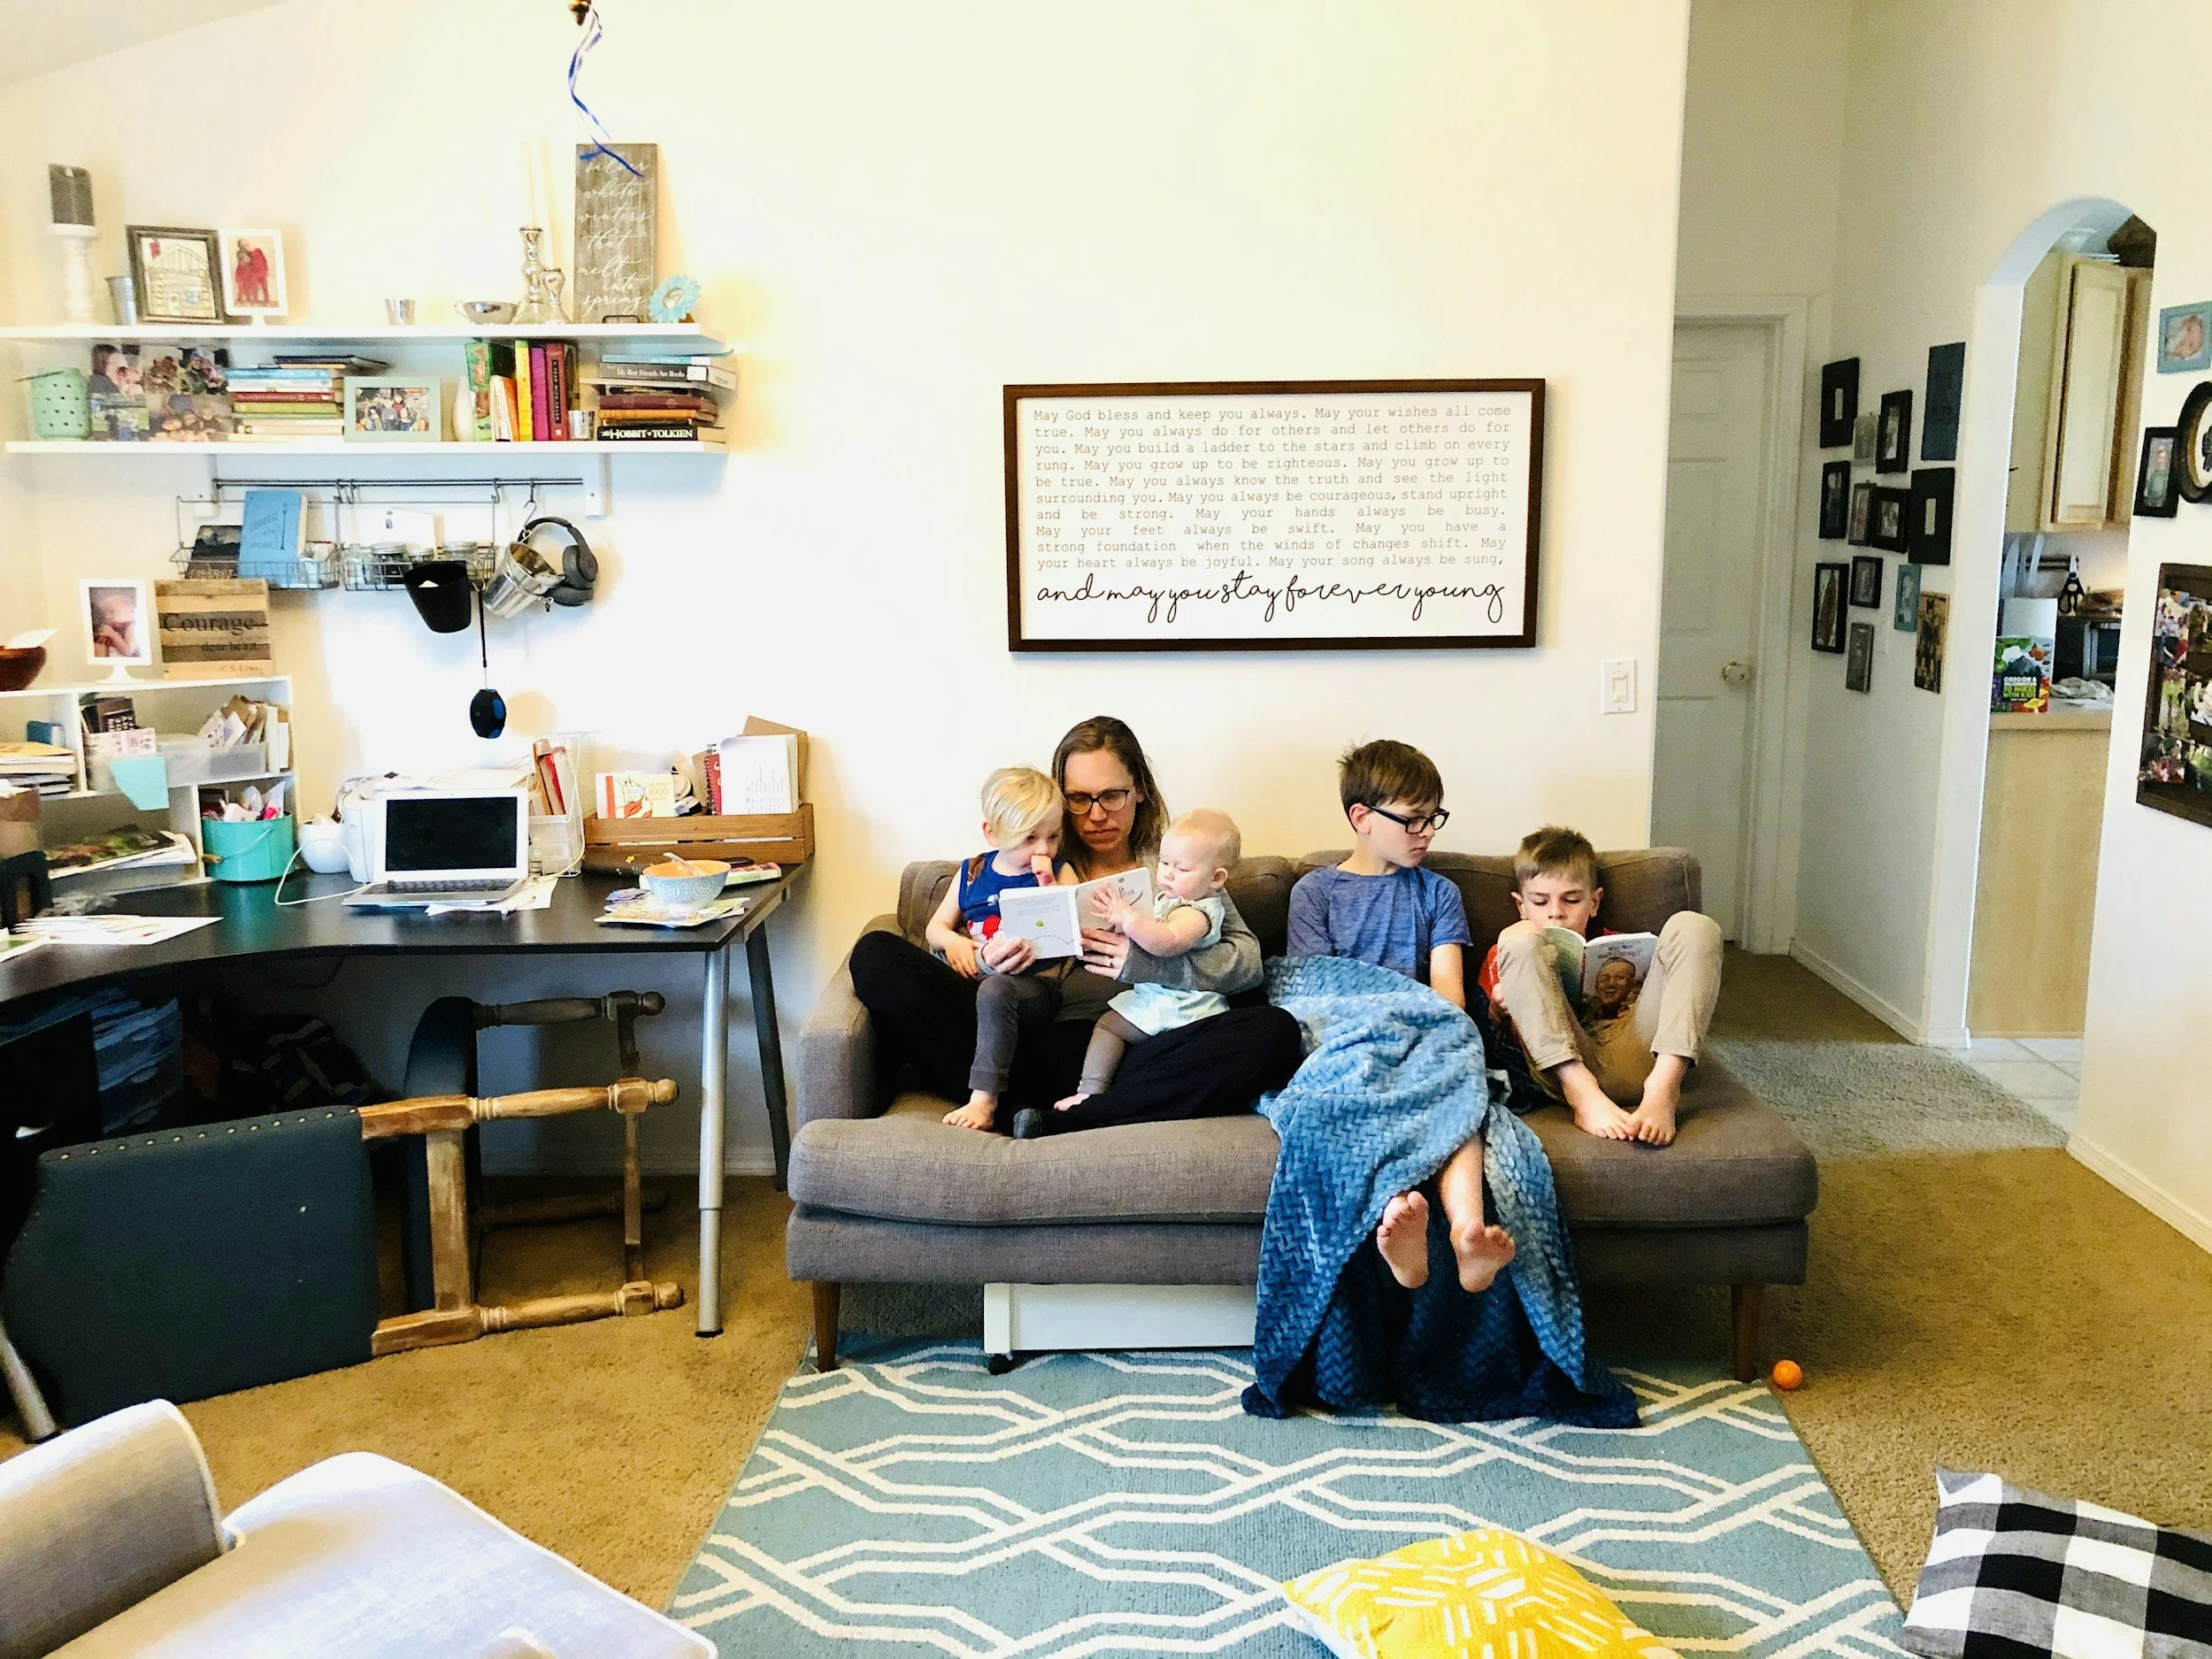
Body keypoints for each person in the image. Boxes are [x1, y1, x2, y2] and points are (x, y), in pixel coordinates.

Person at [848, 717, 1302, 1133]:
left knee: (1272, 1032)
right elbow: (957, 939)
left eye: (1112, 795)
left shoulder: (1178, 868)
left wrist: (1149, 962)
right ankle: (1006, 1098)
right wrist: (985, 959)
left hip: (1127, 1051)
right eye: (1079, 799)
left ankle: (1079, 1113)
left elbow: (1246, 965)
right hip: (1018, 1041)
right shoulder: (1027, 862)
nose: (1097, 814)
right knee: (876, 954)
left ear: (1140, 790)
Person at [1285, 739, 1514, 1296]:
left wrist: (1422, 1033)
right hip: (1349, 1039)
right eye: (1412, 821)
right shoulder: (1315, 893)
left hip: (1427, 1034)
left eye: (1433, 818)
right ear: (1361, 817)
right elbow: (1312, 996)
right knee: (1351, 1095)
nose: (1427, 833)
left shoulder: (1438, 892)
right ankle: (1399, 1225)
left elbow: (1449, 997)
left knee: (1460, 1081)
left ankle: (1466, 1233)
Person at [1477, 825, 1723, 1148]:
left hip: (1636, 1050)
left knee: (1695, 926)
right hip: (1560, 1072)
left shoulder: (1617, 947)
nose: (1555, 913)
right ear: (1521, 905)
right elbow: (1483, 1032)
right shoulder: (1507, 954)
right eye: (1539, 902)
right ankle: (1584, 1096)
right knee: (1518, 939)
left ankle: (1665, 1089)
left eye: (1572, 900)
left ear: (1594, 902)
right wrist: (1497, 1011)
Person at [1055, 808, 1241, 1112]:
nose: (1166, 873)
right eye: (1165, 862)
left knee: (1109, 1026)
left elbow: (1168, 942)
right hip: (1161, 998)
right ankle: (1093, 1093)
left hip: (1181, 1006)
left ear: (1216, 878)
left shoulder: (1197, 910)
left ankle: (1090, 1092)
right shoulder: (1170, 901)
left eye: (1181, 869)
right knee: (1109, 1026)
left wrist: (1128, 918)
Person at [926, 767, 1073, 1133]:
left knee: (996, 989)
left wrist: (1049, 887)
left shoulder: (1059, 869)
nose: (1043, 849)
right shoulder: (973, 872)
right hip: (974, 981)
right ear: (992, 833)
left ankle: (984, 1100)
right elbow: (935, 928)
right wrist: (956, 942)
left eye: (1053, 836)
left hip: (1034, 988)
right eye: (1029, 838)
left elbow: (1075, 927)